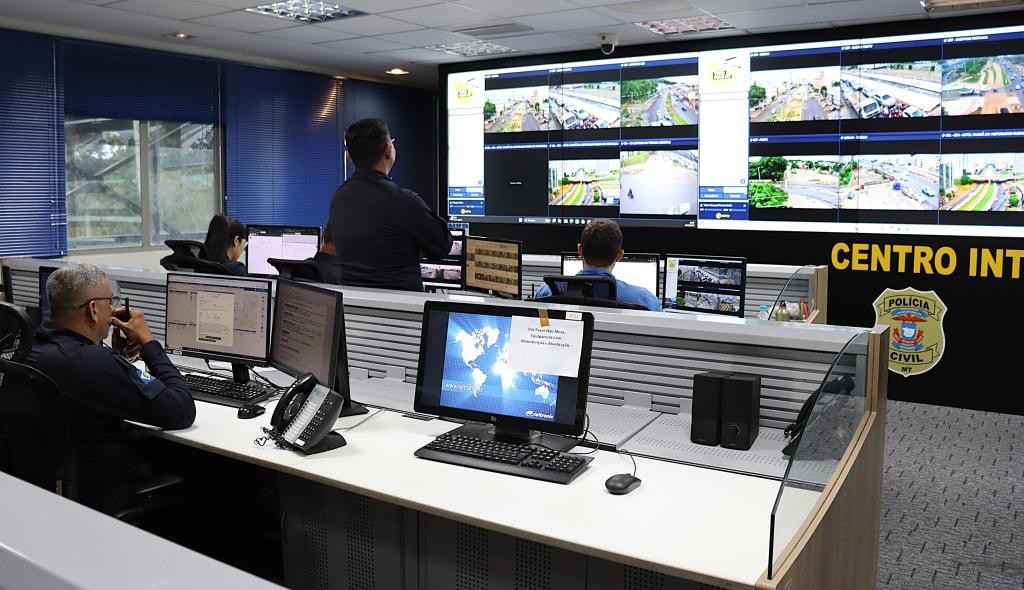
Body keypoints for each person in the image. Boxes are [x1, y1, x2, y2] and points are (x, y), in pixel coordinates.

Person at [27, 264, 196, 514]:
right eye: (111, 301)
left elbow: (89, 382)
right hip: (109, 494)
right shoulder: (94, 362)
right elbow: (180, 410)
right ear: (94, 309)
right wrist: (149, 343)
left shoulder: (32, 348)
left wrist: (117, 360)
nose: (113, 309)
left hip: (54, 489)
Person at [328, 118, 452, 291]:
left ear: (349, 156)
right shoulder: (404, 200)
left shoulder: (338, 198)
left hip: (351, 304)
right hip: (401, 305)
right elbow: (443, 246)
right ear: (388, 149)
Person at [533, 219, 662, 311]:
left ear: (580, 250)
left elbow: (540, 325)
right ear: (619, 255)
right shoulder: (646, 301)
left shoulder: (547, 291)